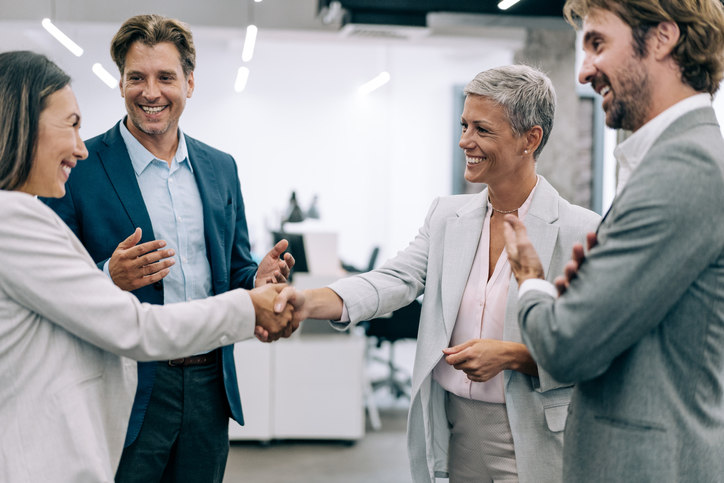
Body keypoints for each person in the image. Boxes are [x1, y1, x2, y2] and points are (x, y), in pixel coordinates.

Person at [271, 65, 600, 482]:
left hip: (537, 437)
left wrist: (514, 357)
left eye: (482, 129)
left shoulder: (581, 230)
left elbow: (594, 350)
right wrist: (306, 301)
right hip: (455, 431)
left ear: (529, 139)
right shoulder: (448, 217)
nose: (465, 141)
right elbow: (394, 279)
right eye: (464, 125)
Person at [0, 50, 295, 483]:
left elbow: (234, 266)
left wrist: (253, 282)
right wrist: (250, 308)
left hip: (206, 383)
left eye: (166, 77)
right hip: (113, 399)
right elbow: (133, 327)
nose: (80, 147)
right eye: (72, 123)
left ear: (189, 84)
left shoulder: (220, 168)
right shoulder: (19, 219)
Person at [502, 1, 724, 481]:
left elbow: (563, 348)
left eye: (598, 43)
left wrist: (532, 282)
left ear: (662, 38)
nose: (584, 72)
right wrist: (589, 293)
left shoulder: (684, 167)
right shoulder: (667, 161)